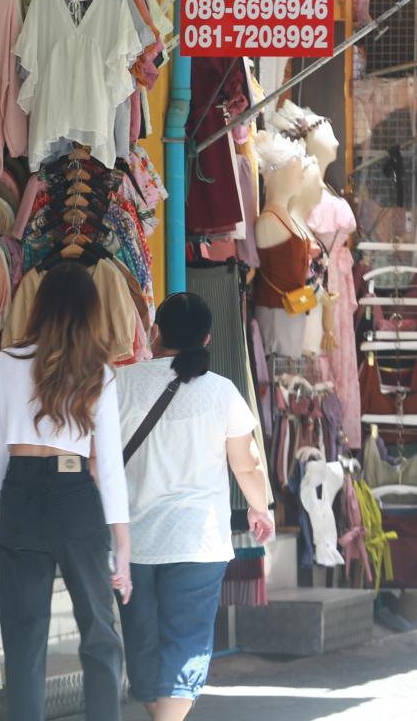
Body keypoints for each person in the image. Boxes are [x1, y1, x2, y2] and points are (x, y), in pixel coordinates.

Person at [115, 292, 273, 721]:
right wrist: (261, 510)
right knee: (186, 641)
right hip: (198, 541)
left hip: (132, 542)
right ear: (206, 338)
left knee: (142, 640)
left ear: (154, 332)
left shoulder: (119, 384)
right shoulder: (222, 393)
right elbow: (248, 465)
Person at [0, 261, 130, 721]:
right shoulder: (98, 372)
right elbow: (108, 467)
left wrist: (5, 508)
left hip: (20, 492)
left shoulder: (6, 362)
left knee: (24, 638)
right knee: (99, 631)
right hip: (75, 495)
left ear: (41, 304)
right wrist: (122, 546)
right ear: (91, 311)